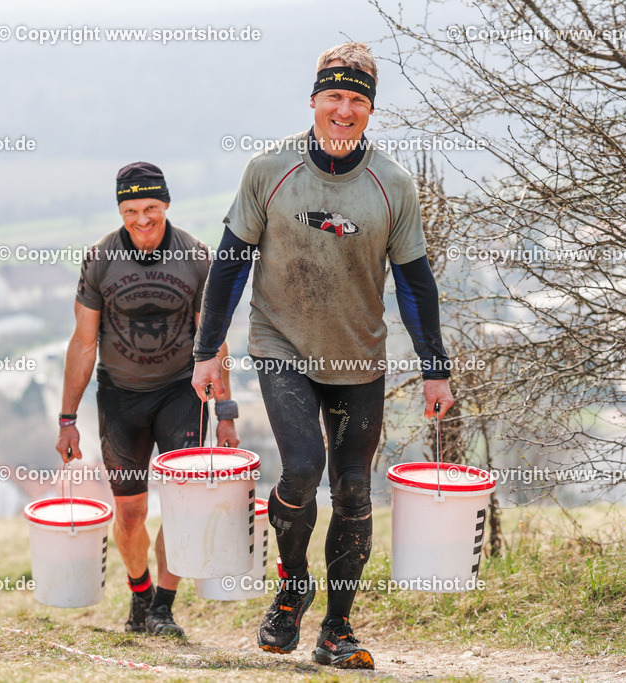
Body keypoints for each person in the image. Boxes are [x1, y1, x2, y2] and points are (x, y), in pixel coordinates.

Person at [191, 43, 454, 669]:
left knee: (355, 493)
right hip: (281, 344)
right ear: (313, 101)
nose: (344, 109)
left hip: (358, 357)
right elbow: (230, 267)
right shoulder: (269, 169)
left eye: (357, 100)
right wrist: (207, 351)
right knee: (302, 468)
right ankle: (290, 589)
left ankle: (336, 630)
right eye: (334, 96)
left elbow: (416, 285)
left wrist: (436, 367)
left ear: (370, 110)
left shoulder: (392, 185)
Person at [57, 161, 240, 636]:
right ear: (120, 210)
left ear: (166, 205)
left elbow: (214, 339)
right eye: (131, 210)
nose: (142, 219)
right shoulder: (98, 259)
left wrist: (224, 410)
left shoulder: (196, 256)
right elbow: (82, 342)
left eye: (151, 208)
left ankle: (163, 605)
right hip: (119, 398)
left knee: (181, 505)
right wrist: (66, 417)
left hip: (181, 392)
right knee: (132, 510)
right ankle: (139, 595)